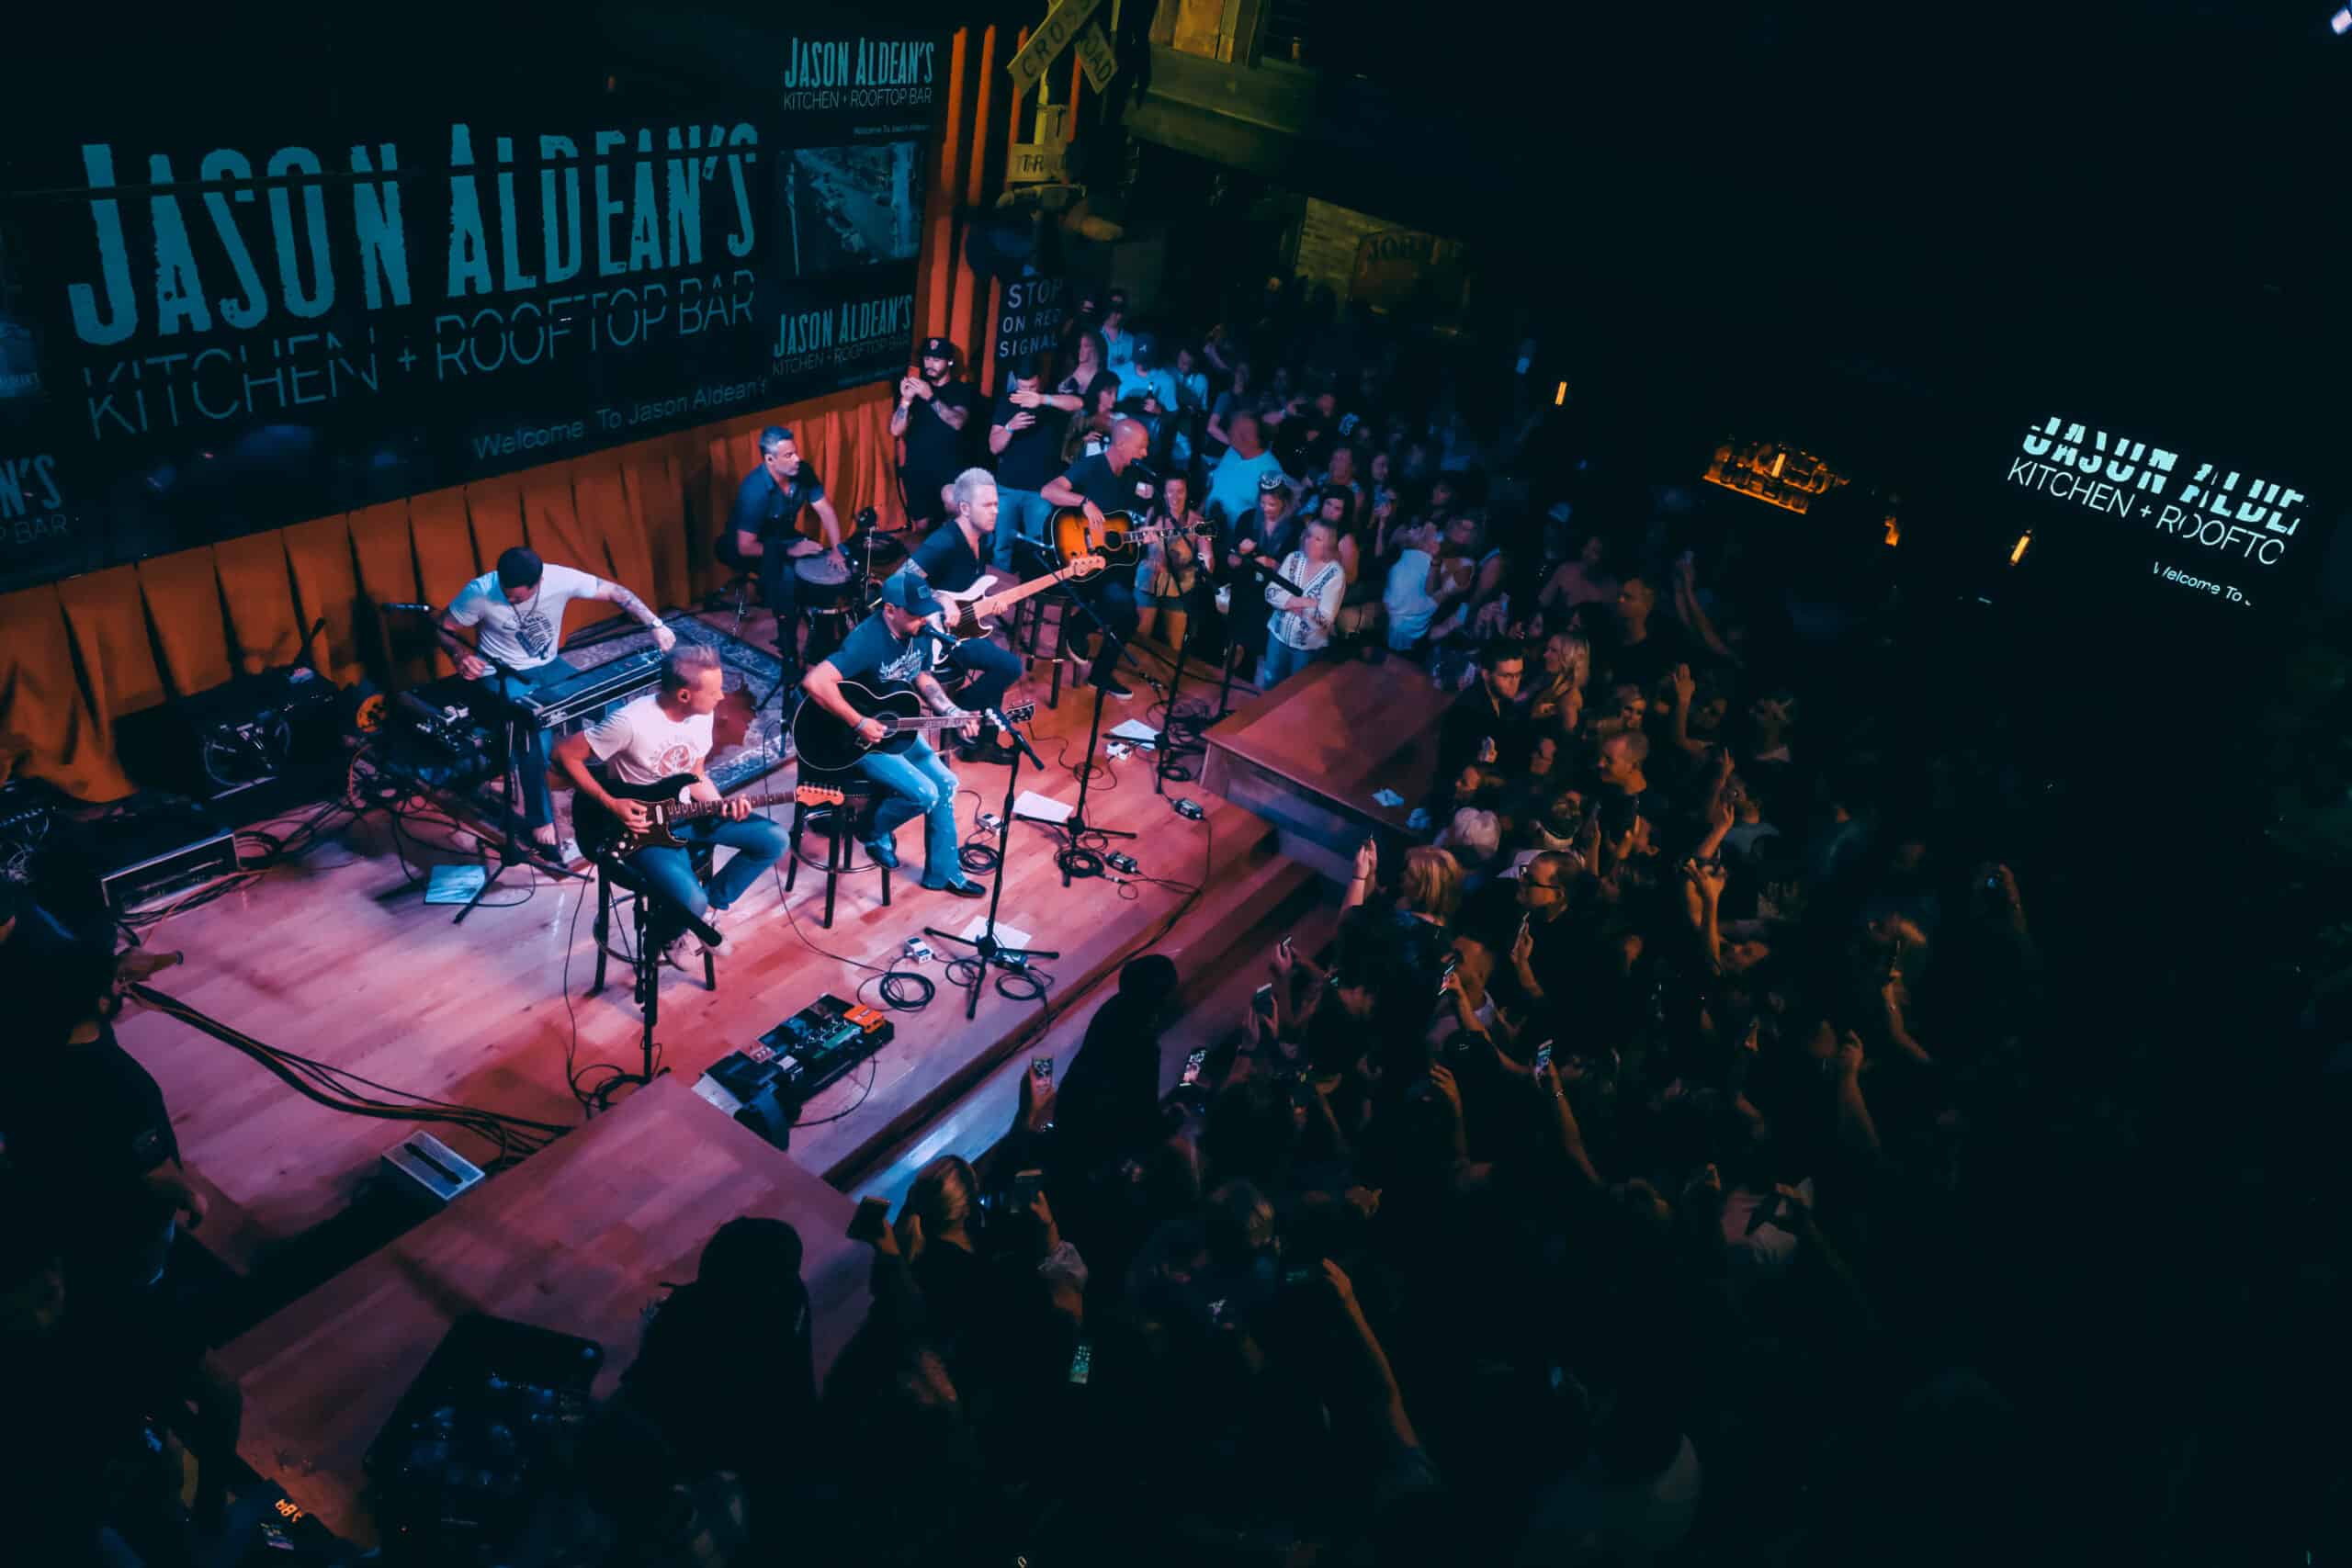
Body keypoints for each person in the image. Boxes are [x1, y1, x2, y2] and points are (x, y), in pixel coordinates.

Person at [437, 545, 676, 861]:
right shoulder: (480, 591)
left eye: (518, 597)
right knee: (533, 730)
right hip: (499, 672)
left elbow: (616, 592)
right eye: (507, 595)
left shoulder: (560, 578)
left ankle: (637, 782)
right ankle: (540, 819)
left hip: (548, 665)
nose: (511, 600)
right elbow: (444, 627)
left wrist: (655, 624)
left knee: (613, 709)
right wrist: (459, 653)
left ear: (538, 583)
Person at [556, 643, 786, 963]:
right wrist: (610, 803)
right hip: (639, 827)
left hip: (683, 811)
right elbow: (565, 754)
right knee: (689, 900)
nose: (722, 697)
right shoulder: (630, 722)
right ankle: (669, 933)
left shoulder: (701, 716)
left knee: (773, 839)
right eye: (715, 690)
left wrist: (720, 805)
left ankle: (706, 913)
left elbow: (695, 773)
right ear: (684, 695)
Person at [798, 574, 989, 897]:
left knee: (947, 784)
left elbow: (922, 675)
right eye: (914, 613)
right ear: (890, 610)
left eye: (924, 611)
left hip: (895, 727)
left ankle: (943, 875)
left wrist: (951, 712)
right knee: (924, 794)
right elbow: (815, 682)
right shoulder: (866, 640)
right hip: (855, 741)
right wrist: (859, 722)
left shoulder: (920, 630)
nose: (924, 618)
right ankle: (870, 830)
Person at [898, 468, 1025, 765]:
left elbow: (965, 588)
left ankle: (980, 742)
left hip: (963, 631)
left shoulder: (983, 540)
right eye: (987, 505)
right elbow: (901, 583)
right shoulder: (943, 542)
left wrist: (986, 603)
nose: (996, 511)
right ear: (965, 508)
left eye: (996, 504)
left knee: (1003, 667)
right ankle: (965, 709)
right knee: (1009, 666)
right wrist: (940, 598)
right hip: (933, 638)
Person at [1038, 416, 1154, 698]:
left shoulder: (1130, 478)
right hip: (1079, 561)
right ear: (1122, 444)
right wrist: (1083, 502)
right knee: (1122, 605)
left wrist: (1143, 533)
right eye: (1140, 448)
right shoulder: (1091, 467)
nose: (1145, 454)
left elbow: (1119, 527)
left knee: (1128, 617)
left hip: (1110, 565)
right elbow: (1048, 490)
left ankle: (1100, 676)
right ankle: (1077, 626)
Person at [727, 425, 845, 671]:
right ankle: (789, 651)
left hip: (784, 537)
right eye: (789, 456)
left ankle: (824, 641)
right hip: (751, 546)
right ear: (770, 459)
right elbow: (745, 546)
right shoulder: (754, 490)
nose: (797, 459)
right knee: (788, 578)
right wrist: (790, 551)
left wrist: (836, 549)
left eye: (796, 452)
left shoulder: (803, 472)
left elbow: (825, 510)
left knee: (821, 562)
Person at [986, 354, 1082, 572]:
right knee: (1001, 547)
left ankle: (1034, 592)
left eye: (1032, 387)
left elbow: (1078, 403)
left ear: (1041, 380)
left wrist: (1042, 400)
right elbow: (994, 447)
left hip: (1041, 492)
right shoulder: (1008, 402)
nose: (1027, 392)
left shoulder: (1051, 402)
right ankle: (1001, 598)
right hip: (1007, 489)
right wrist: (1009, 428)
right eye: (1023, 387)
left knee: (1039, 547)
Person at [891, 336, 978, 526]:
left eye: (937, 360)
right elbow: (896, 430)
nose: (930, 364)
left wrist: (930, 397)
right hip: (918, 468)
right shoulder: (915, 389)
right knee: (922, 527)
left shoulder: (960, 390)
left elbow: (957, 422)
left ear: (950, 362)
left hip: (949, 468)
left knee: (953, 504)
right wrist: (906, 400)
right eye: (927, 358)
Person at [1260, 517, 1347, 690]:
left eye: (1318, 539)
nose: (1310, 541)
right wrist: (1301, 602)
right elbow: (1270, 593)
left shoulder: (1335, 574)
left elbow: (1325, 620)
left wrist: (1288, 603)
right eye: (1308, 536)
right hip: (1278, 636)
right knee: (1270, 685)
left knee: (1296, 692)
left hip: (1307, 647)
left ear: (1328, 545)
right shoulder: (1293, 558)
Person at [1136, 470, 1212, 655]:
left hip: (1180, 588)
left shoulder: (1198, 522)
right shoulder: (1154, 514)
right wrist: (1141, 537)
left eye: (1180, 491)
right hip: (1148, 582)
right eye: (1171, 491)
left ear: (1187, 493)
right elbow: (1137, 544)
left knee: (1174, 646)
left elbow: (1208, 558)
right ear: (1163, 493)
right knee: (1139, 638)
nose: (1175, 497)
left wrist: (1205, 563)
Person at [1205, 410, 1290, 530]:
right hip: (1207, 530)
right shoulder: (1232, 452)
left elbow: (1273, 518)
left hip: (1236, 542)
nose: (1228, 431)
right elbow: (1214, 485)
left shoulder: (1270, 472)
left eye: (1233, 429)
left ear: (1246, 437)